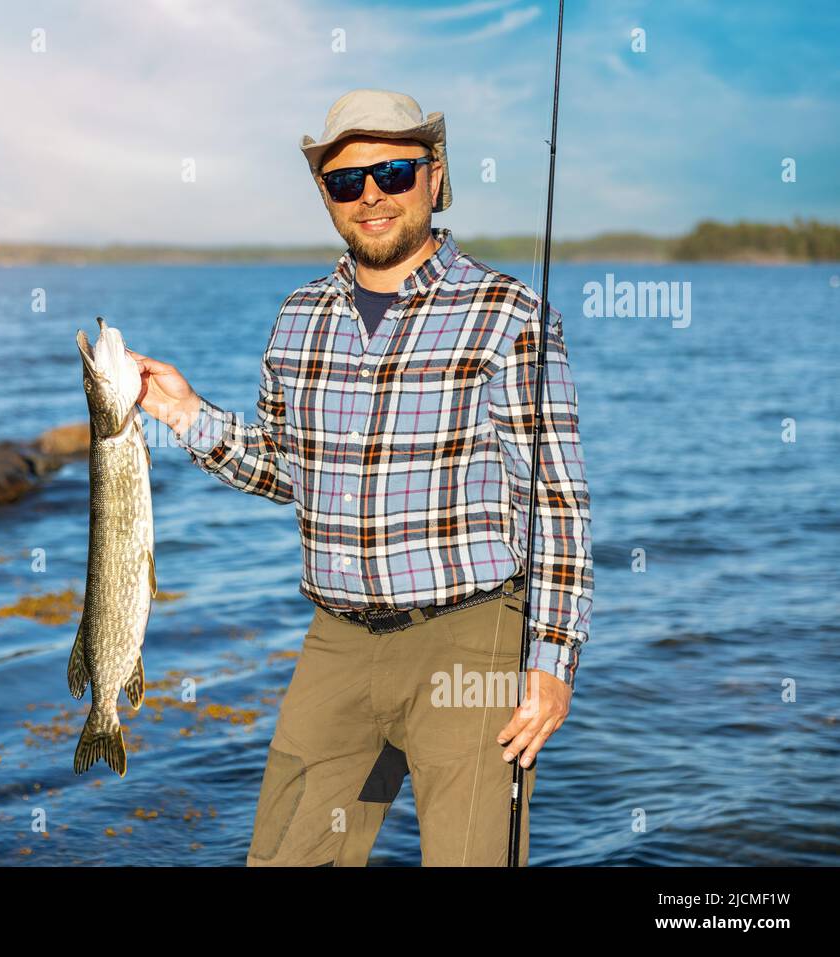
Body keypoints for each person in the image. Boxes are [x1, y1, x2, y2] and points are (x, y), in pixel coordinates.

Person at [128, 89, 593, 866]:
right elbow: (289, 470)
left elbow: (556, 502)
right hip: (335, 643)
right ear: (327, 196)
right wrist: (183, 414)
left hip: (472, 641)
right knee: (287, 856)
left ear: (434, 178)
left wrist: (550, 661)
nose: (371, 195)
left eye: (393, 172)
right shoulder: (298, 317)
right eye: (347, 182)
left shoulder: (508, 313)